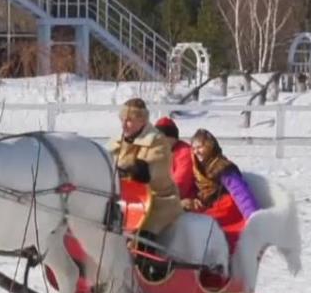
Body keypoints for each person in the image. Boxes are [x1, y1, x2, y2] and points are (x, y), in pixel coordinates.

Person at [108, 98, 184, 278]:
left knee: (145, 229)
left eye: (129, 120)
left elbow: (150, 170)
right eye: (122, 120)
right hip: (126, 198)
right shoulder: (119, 140)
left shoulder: (158, 141)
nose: (124, 125)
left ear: (142, 121)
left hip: (158, 199)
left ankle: (147, 271)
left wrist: (132, 169)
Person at [183, 129, 260, 251]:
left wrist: (254, 218)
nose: (197, 151)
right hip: (210, 206)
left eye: (200, 147)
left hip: (226, 206)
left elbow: (240, 192)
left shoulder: (222, 166)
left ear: (210, 146)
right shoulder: (198, 169)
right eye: (194, 148)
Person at [154, 116, 195, 200]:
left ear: (173, 138)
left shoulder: (185, 153)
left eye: (164, 137)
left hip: (186, 200)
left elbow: (180, 185)